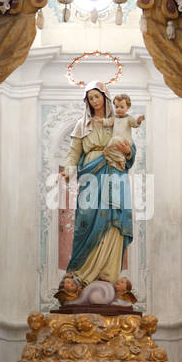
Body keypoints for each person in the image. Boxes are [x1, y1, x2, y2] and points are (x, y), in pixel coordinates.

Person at [62, 82, 135, 291]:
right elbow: (73, 153)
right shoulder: (81, 125)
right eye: (90, 98)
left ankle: (108, 275)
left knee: (114, 221)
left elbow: (129, 147)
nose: (94, 101)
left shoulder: (118, 122)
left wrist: (128, 152)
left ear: (105, 97)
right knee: (87, 218)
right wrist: (68, 170)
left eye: (97, 96)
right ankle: (83, 272)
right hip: (91, 173)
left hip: (115, 171)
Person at [107, 93, 144, 171]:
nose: (119, 109)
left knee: (116, 147)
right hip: (115, 141)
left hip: (124, 141)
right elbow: (108, 122)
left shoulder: (128, 118)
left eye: (122, 107)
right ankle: (117, 160)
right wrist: (101, 121)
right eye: (116, 107)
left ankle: (121, 162)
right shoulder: (114, 118)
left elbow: (134, 124)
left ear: (128, 107)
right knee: (114, 150)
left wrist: (138, 121)